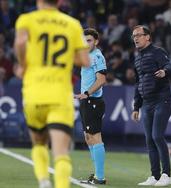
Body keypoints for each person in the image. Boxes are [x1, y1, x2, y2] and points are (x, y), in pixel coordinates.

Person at [14, 0, 89, 188]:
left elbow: (21, 42)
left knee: (39, 143)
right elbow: (84, 60)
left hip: (34, 93)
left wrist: (23, 65)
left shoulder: (26, 19)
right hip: (60, 96)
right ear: (59, 2)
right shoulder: (72, 24)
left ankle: (43, 180)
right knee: (61, 153)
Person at [131, 25, 171, 186]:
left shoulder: (158, 51)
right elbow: (138, 83)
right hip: (147, 103)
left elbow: (170, 66)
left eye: (139, 35)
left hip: (162, 99)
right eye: (133, 35)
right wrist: (136, 107)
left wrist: (164, 72)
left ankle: (167, 174)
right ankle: (154, 176)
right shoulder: (137, 57)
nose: (135, 38)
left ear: (147, 37)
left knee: (157, 136)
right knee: (149, 140)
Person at [74, 28, 107, 185]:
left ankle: (100, 177)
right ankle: (96, 174)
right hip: (86, 100)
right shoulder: (87, 55)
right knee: (88, 137)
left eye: (89, 40)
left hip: (93, 101)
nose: (86, 44)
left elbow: (101, 80)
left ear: (96, 41)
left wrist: (87, 93)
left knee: (95, 137)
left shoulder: (97, 56)